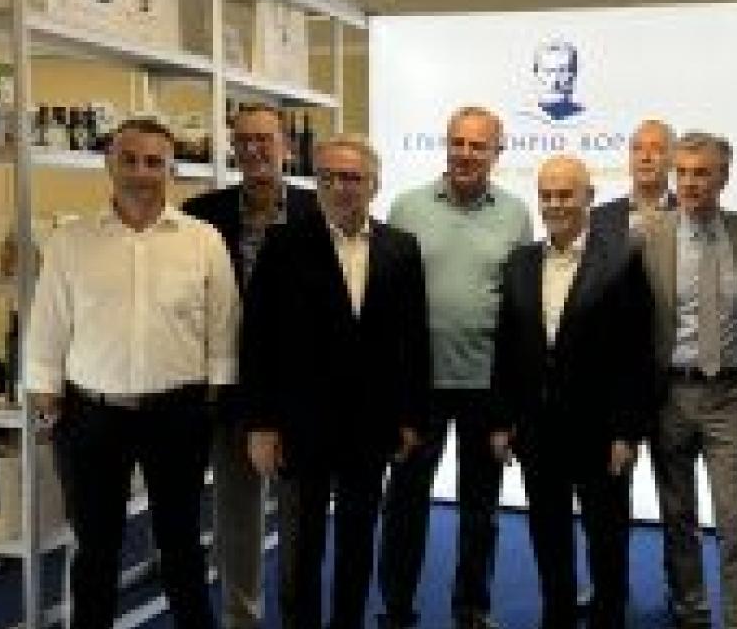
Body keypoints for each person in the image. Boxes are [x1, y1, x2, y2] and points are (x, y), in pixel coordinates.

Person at [25, 118, 239, 629]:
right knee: (96, 549)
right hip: (92, 417)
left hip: (178, 415)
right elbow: (49, 321)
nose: (141, 172)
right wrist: (44, 391)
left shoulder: (203, 241)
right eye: (129, 159)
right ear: (109, 164)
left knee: (181, 544)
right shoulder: (71, 242)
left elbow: (224, 322)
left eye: (153, 162)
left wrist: (217, 393)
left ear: (171, 169)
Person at [243, 134, 429, 629]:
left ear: (374, 184)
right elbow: (258, 340)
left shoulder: (401, 248)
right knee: (300, 547)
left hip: (372, 424)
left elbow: (413, 340)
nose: (339, 188)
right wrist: (261, 424)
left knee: (357, 540)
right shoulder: (283, 245)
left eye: (351, 178)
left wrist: (411, 416)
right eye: (327, 178)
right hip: (300, 425)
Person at [378, 106, 533, 629]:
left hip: (486, 385)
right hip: (417, 386)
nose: (466, 154)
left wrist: (513, 403)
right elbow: (389, 303)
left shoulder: (516, 215)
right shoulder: (407, 207)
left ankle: (472, 607)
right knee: (405, 503)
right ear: (446, 146)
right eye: (458, 143)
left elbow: (520, 310)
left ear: (497, 153)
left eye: (478, 146)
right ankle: (396, 607)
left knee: (480, 509)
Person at [489, 155, 655, 629]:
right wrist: (501, 421)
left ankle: (608, 617)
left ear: (589, 198)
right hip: (537, 429)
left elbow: (636, 354)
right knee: (548, 534)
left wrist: (626, 432)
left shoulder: (622, 260)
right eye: (547, 195)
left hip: (601, 430)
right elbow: (506, 347)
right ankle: (557, 615)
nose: (555, 204)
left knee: (607, 538)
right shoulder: (520, 262)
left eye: (566, 194)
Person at [180, 101, 316, 629]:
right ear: (232, 147)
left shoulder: (316, 210)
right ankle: (242, 617)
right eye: (244, 139)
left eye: (266, 139)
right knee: (236, 515)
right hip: (230, 389)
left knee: (301, 518)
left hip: (300, 391)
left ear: (287, 146)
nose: (255, 149)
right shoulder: (200, 215)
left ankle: (298, 616)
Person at [645, 131, 737, 629]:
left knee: (734, 519)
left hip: (728, 394)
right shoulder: (649, 236)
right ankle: (689, 605)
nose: (690, 183)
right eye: (683, 173)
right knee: (677, 515)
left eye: (702, 173)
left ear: (724, 177)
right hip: (670, 394)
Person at [591, 119, 677, 242]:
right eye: (637, 149)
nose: (645, 157)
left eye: (656, 149)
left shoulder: (688, 213)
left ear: (673, 159)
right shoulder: (599, 217)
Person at [533, 40, 585, 122]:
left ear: (573, 72)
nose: (555, 78)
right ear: (537, 72)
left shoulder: (585, 117)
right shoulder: (527, 117)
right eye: (549, 71)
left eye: (562, 70)